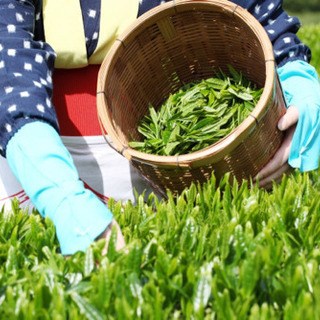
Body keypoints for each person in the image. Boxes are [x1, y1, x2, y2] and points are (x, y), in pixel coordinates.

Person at [0, 0, 319, 255]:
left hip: (160, 151)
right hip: (36, 153)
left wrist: (294, 73)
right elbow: (9, 64)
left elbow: (258, 16)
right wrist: (59, 194)